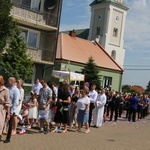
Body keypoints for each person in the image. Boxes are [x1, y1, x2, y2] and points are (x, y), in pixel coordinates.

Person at [4, 77, 20, 143]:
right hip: (5, 108)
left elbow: (15, 102)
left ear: (13, 82)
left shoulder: (16, 90)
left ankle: (8, 138)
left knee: (10, 124)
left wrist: (12, 111)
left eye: (9, 80)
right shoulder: (8, 88)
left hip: (10, 109)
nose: (8, 81)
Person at [0, 76, 11, 142]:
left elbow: (8, 103)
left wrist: (8, 114)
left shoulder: (5, 90)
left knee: (0, 124)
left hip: (1, 109)